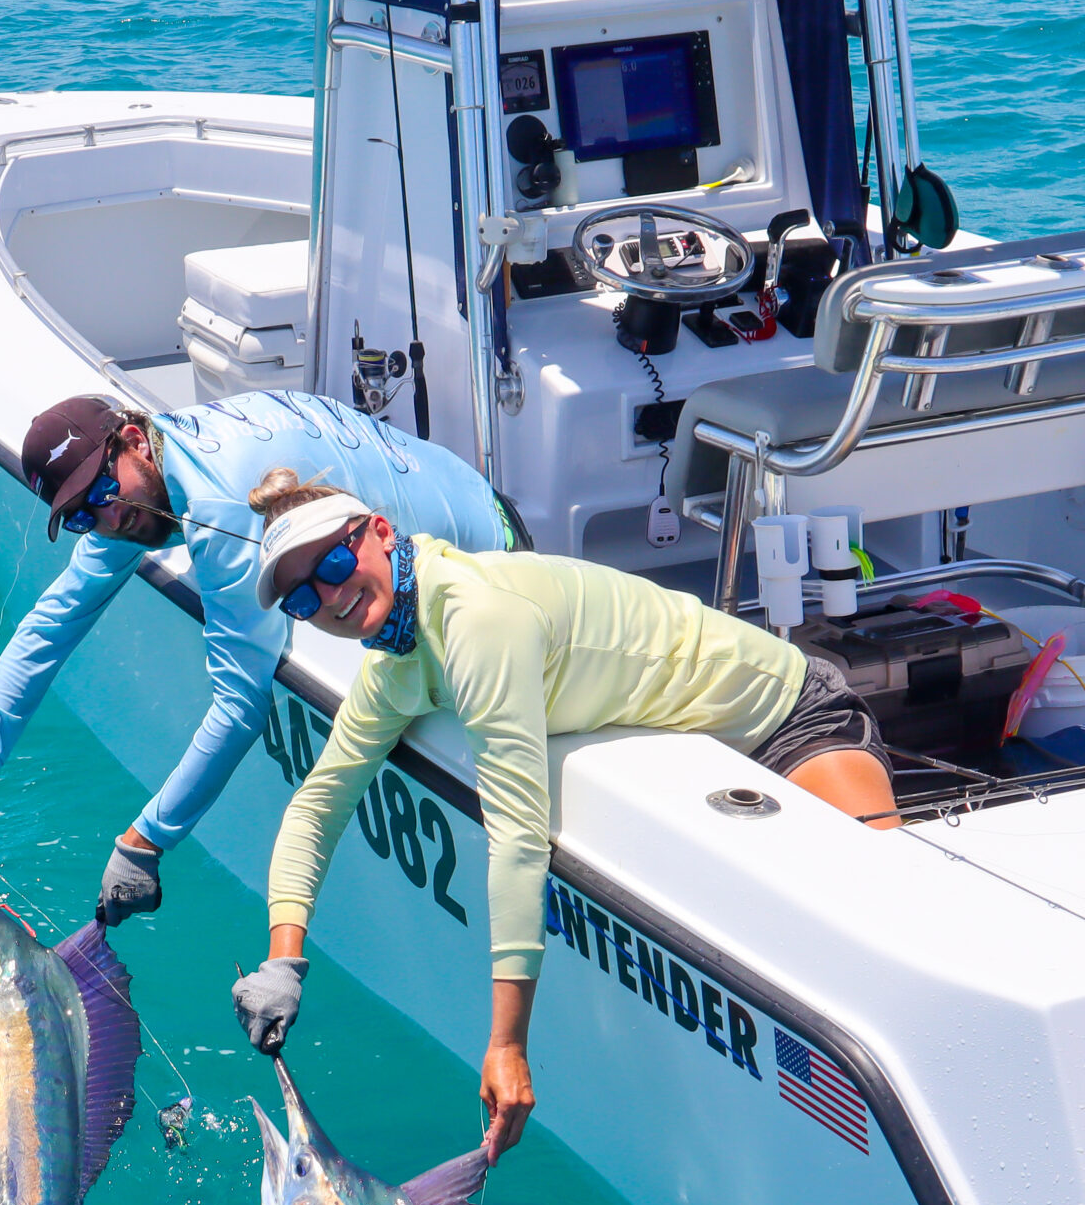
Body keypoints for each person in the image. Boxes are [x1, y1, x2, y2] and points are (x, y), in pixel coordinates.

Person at [228, 474, 897, 1157]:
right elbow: (316, 807)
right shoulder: (396, 665)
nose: (332, 596)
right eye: (305, 596)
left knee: (891, 934)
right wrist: (284, 961)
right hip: (709, 776)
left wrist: (508, 1044)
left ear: (380, 532)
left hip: (792, 723)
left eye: (336, 565)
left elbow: (519, 833)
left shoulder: (474, 615)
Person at [0, 390, 517, 925]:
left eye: (104, 491)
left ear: (133, 441)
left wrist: (144, 843)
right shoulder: (155, 471)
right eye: (80, 516)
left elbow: (240, 704)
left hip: (492, 557)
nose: (107, 518)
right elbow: (57, 619)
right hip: (449, 489)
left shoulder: (220, 504)